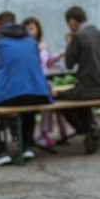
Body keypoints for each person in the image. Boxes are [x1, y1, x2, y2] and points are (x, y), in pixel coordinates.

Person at [0, 15, 52, 165]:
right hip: (39, 93)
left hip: (8, 94)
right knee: (27, 103)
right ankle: (27, 147)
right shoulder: (30, 38)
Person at [62, 5, 100, 154]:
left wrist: (69, 44)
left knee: (59, 100)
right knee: (78, 100)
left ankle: (87, 128)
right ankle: (92, 127)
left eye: (69, 24)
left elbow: (69, 64)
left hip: (86, 89)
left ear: (73, 21)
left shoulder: (78, 37)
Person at [26, 16, 68, 148]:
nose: (29, 31)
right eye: (26, 29)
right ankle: (44, 134)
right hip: (36, 83)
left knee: (57, 104)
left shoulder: (42, 44)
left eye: (32, 28)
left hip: (45, 80)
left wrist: (58, 55)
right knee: (48, 105)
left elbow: (48, 61)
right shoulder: (26, 46)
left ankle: (63, 133)